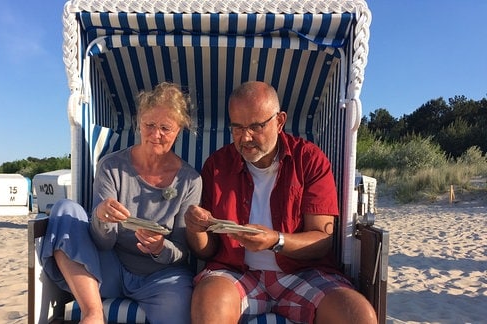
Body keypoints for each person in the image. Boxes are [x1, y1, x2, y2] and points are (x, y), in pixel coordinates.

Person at [184, 81, 377, 324]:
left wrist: (276, 240)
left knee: (357, 314)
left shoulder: (308, 159)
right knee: (209, 303)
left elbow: (321, 239)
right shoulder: (217, 165)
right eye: (237, 127)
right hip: (236, 271)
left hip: (302, 272)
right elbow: (207, 250)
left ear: (279, 121)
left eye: (256, 126)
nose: (245, 137)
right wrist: (195, 229)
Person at [40, 82, 202, 324]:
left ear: (179, 130)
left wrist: (160, 248)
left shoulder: (190, 180)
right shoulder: (112, 166)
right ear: (138, 121)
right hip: (108, 267)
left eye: (166, 128)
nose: (156, 134)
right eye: (149, 125)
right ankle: (93, 313)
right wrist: (102, 219)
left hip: (162, 277)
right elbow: (102, 242)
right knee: (65, 210)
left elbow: (182, 252)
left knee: (180, 302)